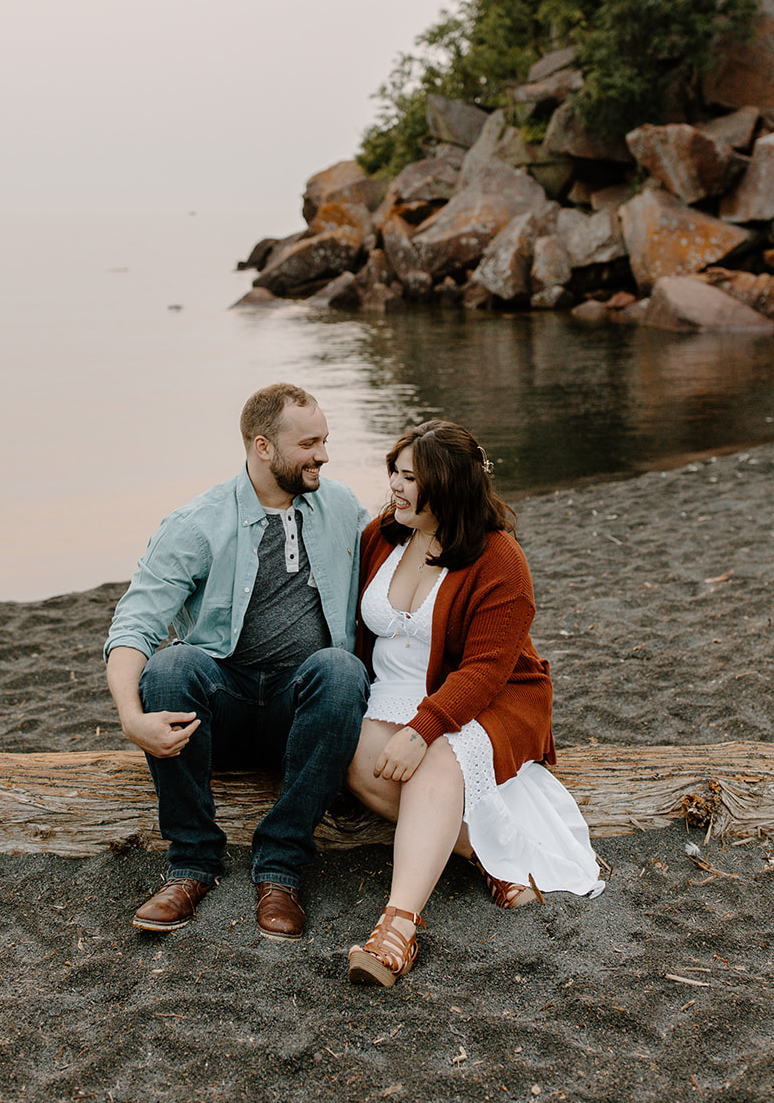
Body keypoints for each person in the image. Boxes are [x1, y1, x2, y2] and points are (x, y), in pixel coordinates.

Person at [104, 383, 369, 940]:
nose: (323, 454)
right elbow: (134, 624)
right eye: (309, 443)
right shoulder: (197, 523)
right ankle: (192, 863)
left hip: (303, 714)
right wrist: (131, 718)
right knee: (171, 666)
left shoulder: (341, 506)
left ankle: (280, 866)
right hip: (219, 712)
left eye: (325, 440)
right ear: (263, 446)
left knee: (342, 671)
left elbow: (410, 547)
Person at [345, 419, 603, 987]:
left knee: (436, 758)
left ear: (450, 486)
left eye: (411, 478)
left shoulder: (499, 558)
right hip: (391, 695)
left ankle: (398, 927)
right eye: (395, 471)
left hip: (485, 696)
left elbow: (486, 669)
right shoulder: (380, 536)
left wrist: (424, 727)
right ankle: (487, 855)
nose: (396, 486)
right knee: (357, 764)